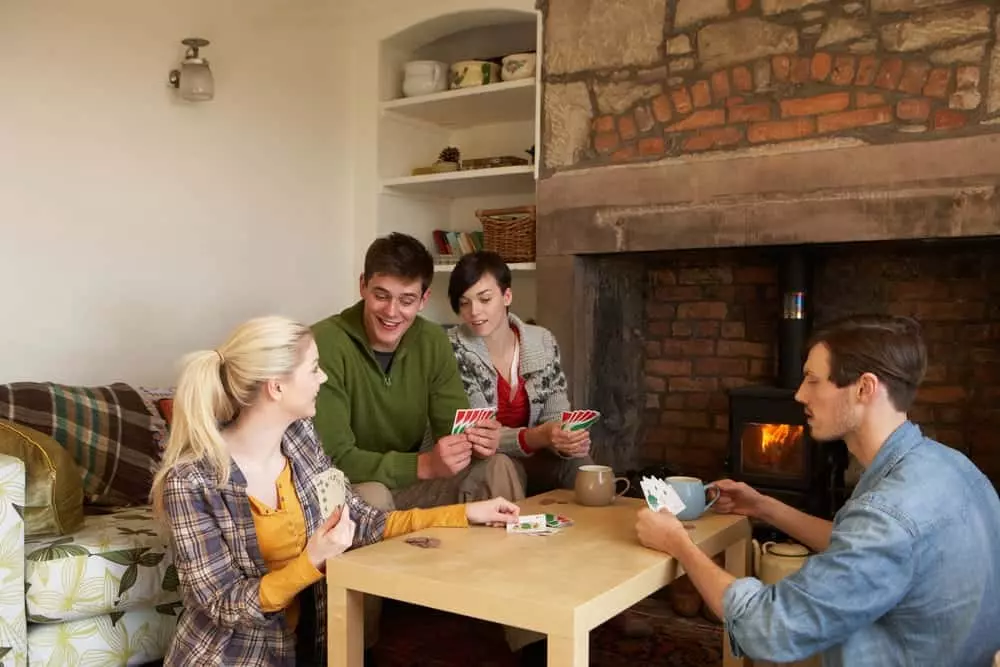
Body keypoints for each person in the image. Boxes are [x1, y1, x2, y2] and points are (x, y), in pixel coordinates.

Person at [150, 316, 520, 666]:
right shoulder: (191, 481)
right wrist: (311, 562)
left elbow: (365, 521)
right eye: (313, 368)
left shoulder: (300, 441)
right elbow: (222, 604)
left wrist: (464, 514)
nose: (323, 378)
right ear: (276, 387)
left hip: (311, 649)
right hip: (232, 657)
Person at [635, 314, 1000, 666]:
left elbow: (769, 628)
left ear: (864, 388)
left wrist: (679, 544)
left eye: (812, 379)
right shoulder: (952, 468)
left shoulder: (889, 513)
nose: (798, 395)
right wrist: (764, 507)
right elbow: (858, 546)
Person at [310, 233, 524, 512]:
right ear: (363, 286)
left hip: (410, 484)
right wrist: (423, 465)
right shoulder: (324, 342)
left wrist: (476, 441)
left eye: (407, 300)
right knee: (374, 496)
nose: (391, 311)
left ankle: (513, 552)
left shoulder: (433, 340)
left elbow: (453, 428)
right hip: (348, 486)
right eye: (381, 295)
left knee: (497, 466)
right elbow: (333, 457)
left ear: (424, 299)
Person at [447, 251, 592, 496]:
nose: (474, 311)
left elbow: (555, 415)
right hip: (484, 462)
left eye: (485, 299)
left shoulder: (542, 341)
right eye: (464, 302)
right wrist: (540, 436)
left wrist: (565, 438)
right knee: (502, 467)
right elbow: (481, 437)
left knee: (580, 463)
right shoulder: (453, 348)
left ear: (507, 296)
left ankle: (594, 533)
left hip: (537, 460)